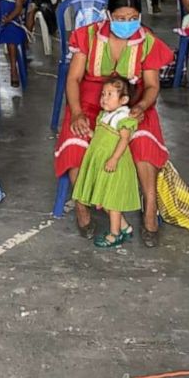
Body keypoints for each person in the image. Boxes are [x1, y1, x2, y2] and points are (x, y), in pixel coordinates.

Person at [54, 0, 174, 243]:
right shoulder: (87, 35)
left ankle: (150, 207)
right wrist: (76, 113)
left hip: (131, 101)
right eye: (120, 18)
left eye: (132, 17)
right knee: (78, 140)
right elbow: (74, 78)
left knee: (142, 141)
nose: (126, 23)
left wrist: (141, 107)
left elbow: (152, 86)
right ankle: (82, 204)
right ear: (108, 15)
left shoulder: (148, 41)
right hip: (89, 100)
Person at [72, 76, 141, 250]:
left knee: (112, 202)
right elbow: (101, 138)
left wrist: (114, 159)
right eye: (103, 94)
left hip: (114, 166)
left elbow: (124, 140)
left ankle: (115, 234)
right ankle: (125, 227)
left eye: (110, 94)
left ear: (123, 100)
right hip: (102, 163)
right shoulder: (104, 115)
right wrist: (90, 133)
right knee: (104, 200)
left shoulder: (123, 117)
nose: (104, 98)